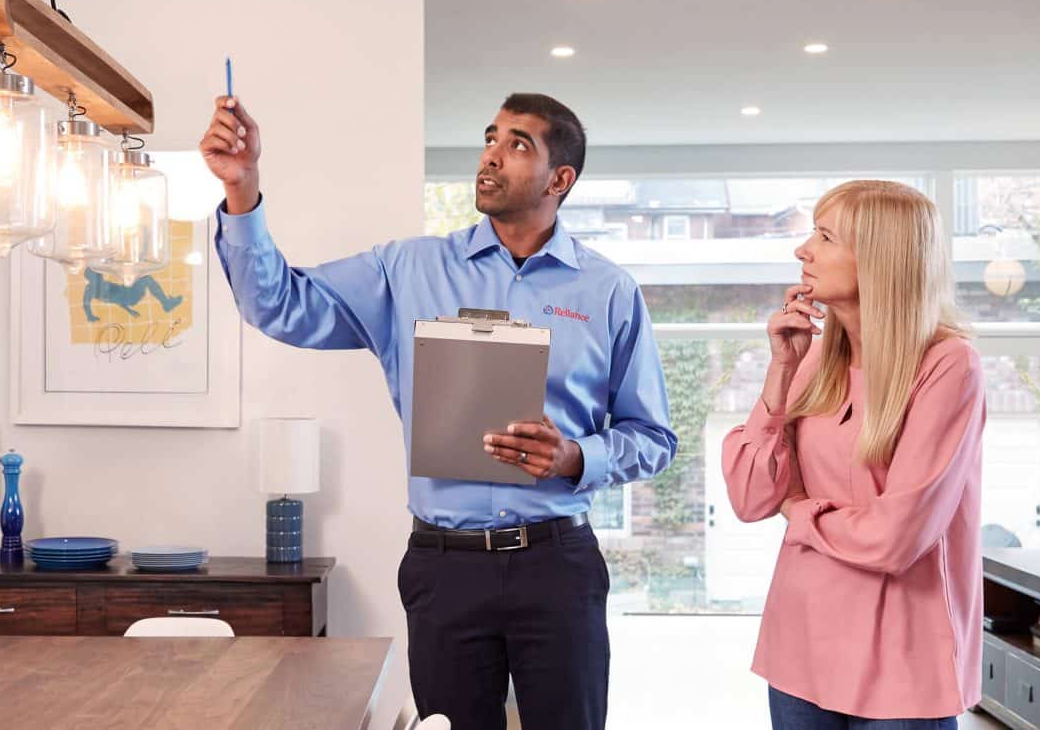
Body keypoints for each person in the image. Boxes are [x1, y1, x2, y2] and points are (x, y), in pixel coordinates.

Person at [200, 92, 674, 730]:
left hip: (558, 564)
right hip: (446, 567)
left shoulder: (609, 290)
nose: (491, 155)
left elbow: (654, 437)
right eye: (490, 137)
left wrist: (574, 456)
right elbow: (277, 304)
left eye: (518, 145)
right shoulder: (406, 269)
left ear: (559, 180)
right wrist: (242, 191)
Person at [722, 180, 986, 729]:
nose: (803, 250)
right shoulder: (812, 359)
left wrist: (799, 511)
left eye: (825, 237)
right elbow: (749, 496)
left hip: (901, 664)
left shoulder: (948, 365)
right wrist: (781, 369)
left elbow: (897, 537)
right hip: (799, 649)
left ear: (880, 257)